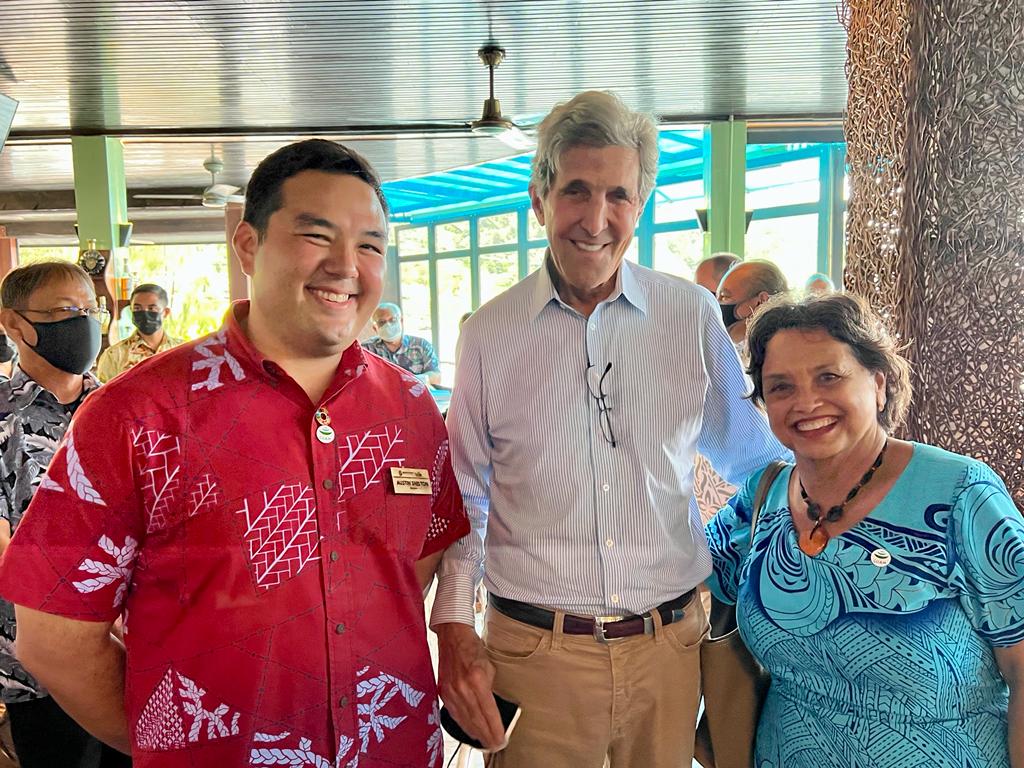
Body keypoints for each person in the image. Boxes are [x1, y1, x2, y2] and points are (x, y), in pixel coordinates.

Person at [0, 140, 469, 767]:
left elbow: (414, 565)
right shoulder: (134, 415)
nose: (346, 265)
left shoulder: (411, 410)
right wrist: (174, 742)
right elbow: (55, 635)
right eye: (316, 235)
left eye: (370, 245)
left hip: (396, 749)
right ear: (248, 246)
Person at [431, 90, 788, 768]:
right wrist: (453, 624)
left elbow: (751, 456)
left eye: (619, 196)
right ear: (540, 199)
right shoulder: (487, 336)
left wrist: (864, 484)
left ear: (640, 206)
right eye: (576, 191)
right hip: (534, 655)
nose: (596, 219)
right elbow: (465, 493)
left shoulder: (690, 317)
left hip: (669, 650)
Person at [705, 292, 1024, 768]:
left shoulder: (960, 495)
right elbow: (681, 572)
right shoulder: (764, 495)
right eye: (780, 387)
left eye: (828, 377)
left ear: (878, 383)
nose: (806, 402)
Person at [0, 261, 129, 768]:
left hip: (134, 652)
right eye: (62, 311)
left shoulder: (121, 410)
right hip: (41, 664)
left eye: (89, 310)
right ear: (14, 325)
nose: (82, 322)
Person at [95, 283, 182, 382]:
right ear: (131, 310)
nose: (144, 313)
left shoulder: (182, 351)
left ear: (165, 312)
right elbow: (103, 395)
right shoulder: (113, 355)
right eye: (137, 309)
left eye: (151, 308)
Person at [716, 258, 788, 352]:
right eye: (716, 297)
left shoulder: (780, 352)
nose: (716, 303)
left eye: (724, 297)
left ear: (762, 301)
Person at [363, 302, 442, 386]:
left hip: (415, 396)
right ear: (375, 328)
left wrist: (414, 379)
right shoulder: (366, 349)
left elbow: (436, 377)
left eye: (392, 320)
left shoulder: (421, 345)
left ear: (401, 321)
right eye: (382, 322)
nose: (388, 325)